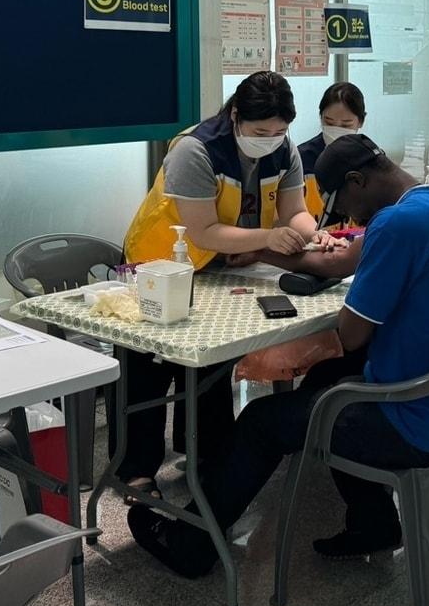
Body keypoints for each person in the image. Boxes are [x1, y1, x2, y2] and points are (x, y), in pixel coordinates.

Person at [127, 134, 429, 573]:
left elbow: (351, 334)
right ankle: (374, 523)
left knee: (260, 422)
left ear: (357, 180)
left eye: (344, 203)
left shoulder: (394, 224)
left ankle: (191, 545)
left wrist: (298, 349)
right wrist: (269, 252)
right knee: (323, 382)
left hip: (406, 416)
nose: (349, 217)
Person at [117, 71, 340, 502]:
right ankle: (135, 471)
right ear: (235, 115)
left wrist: (313, 233)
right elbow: (202, 230)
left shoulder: (284, 150)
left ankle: (205, 451)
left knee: (211, 359)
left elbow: (294, 210)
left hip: (218, 265)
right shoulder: (194, 150)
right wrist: (267, 238)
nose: (271, 139)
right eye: (261, 131)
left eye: (280, 131)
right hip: (159, 262)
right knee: (148, 366)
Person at [296, 81, 365, 218]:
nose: (336, 130)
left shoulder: (369, 159)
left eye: (346, 125)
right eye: (329, 122)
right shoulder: (301, 157)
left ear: (361, 122)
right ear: (320, 117)